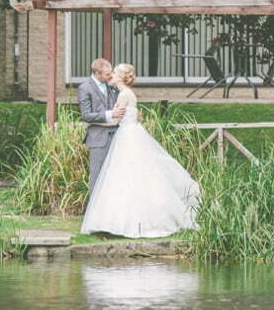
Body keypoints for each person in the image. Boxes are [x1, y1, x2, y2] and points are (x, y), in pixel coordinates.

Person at [80, 63, 201, 238]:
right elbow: (134, 115)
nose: (111, 75)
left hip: (126, 137)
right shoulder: (128, 94)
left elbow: (114, 121)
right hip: (132, 133)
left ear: (121, 76)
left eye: (114, 73)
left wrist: (93, 122)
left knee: (124, 177)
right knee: (137, 176)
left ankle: (123, 221)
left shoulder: (123, 95)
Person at [77, 58, 125, 197]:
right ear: (97, 73)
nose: (111, 76)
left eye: (111, 73)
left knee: (116, 175)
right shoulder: (85, 87)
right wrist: (109, 114)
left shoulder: (112, 85)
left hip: (117, 135)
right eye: (107, 74)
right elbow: (86, 115)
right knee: (97, 176)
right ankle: (93, 213)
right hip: (98, 138)